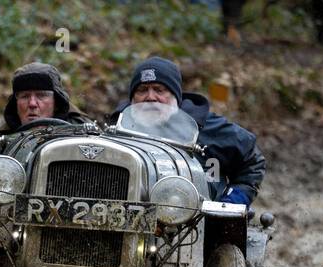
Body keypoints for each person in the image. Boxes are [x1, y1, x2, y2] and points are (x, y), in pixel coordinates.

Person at [108, 56, 265, 206]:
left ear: (175, 96)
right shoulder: (116, 131)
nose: (150, 97)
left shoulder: (208, 128)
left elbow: (252, 159)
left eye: (159, 90)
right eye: (142, 90)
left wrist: (234, 199)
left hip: (196, 223)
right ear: (132, 98)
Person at [0, 62, 92, 157]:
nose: (32, 104)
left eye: (41, 95)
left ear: (56, 102)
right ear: (15, 103)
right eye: (25, 96)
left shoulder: (86, 133)